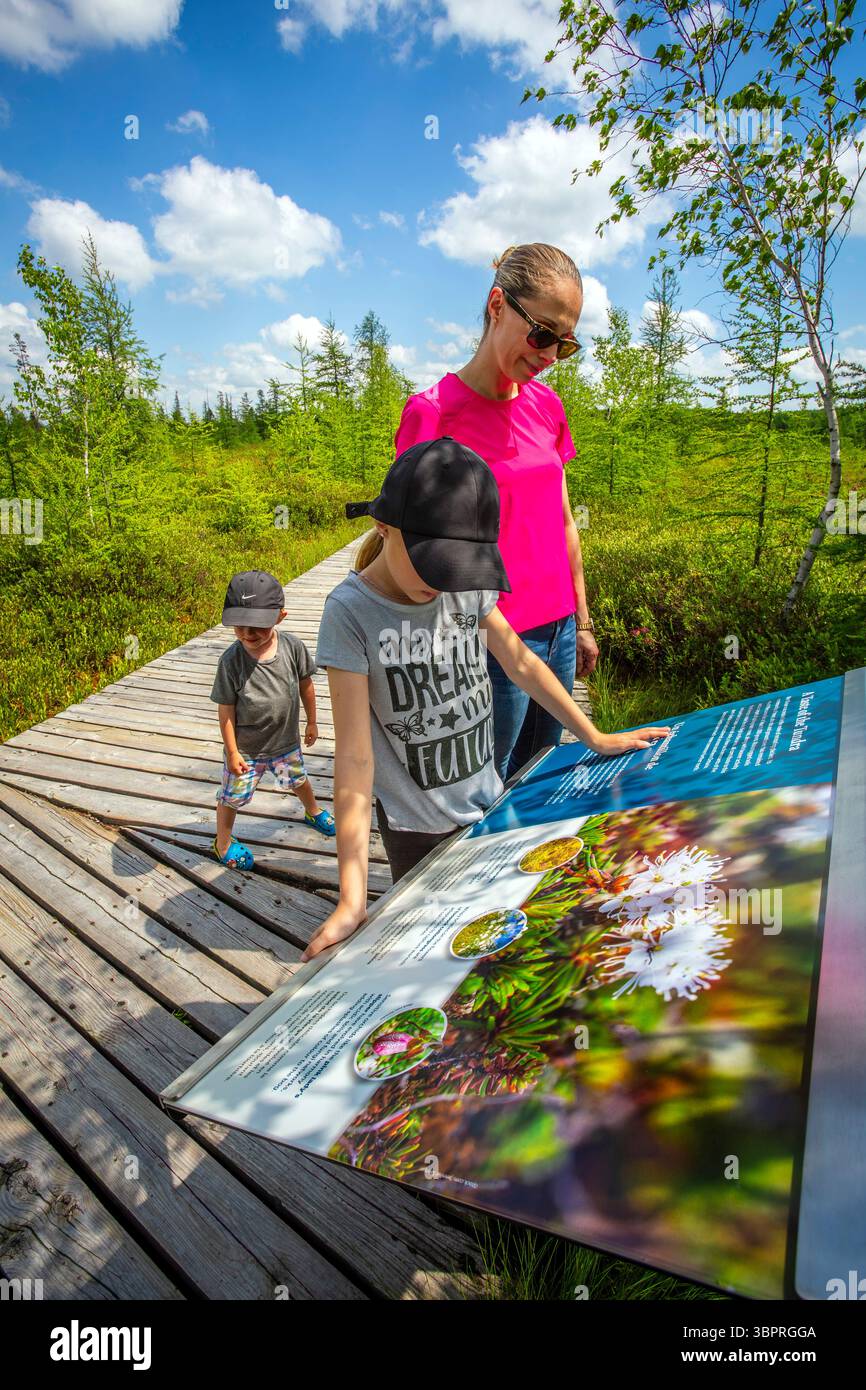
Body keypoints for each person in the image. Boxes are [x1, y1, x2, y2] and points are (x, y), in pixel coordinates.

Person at [301, 438, 670, 960]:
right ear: (385, 527)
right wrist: (351, 899)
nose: (444, 580)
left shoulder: (464, 587)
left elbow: (520, 663)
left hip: (490, 800)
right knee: (441, 955)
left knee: (506, 937)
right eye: (434, 562)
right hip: (418, 829)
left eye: (458, 564)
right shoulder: (350, 613)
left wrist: (594, 736)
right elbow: (355, 760)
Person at [393, 241, 597, 784]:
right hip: (486, 640)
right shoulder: (432, 414)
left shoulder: (547, 408)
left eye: (566, 343)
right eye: (543, 334)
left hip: (556, 634)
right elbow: (405, 549)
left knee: (541, 776)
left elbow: (563, 523)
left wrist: (582, 619)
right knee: (484, 786)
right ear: (496, 304)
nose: (551, 355)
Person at [209, 569, 336, 869]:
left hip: (285, 743)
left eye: (258, 627)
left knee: (298, 780)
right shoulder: (231, 661)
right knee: (231, 798)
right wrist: (231, 751)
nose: (247, 634)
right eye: (239, 626)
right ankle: (222, 842)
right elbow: (225, 709)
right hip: (247, 751)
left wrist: (313, 721)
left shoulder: (292, 648)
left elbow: (306, 684)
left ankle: (313, 811)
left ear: (280, 617)